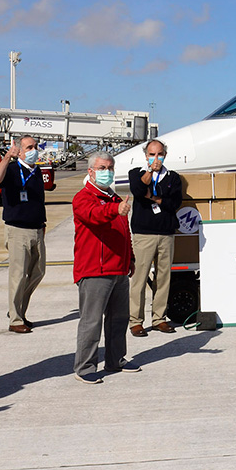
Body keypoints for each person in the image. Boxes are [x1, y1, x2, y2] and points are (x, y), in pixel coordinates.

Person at [72, 153, 141, 382]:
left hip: (118, 269)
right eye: (102, 168)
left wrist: (130, 258)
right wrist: (115, 210)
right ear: (91, 172)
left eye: (110, 168)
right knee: (91, 321)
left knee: (119, 319)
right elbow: (93, 216)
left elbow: (124, 232)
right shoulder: (83, 198)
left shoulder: (114, 199)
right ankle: (85, 368)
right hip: (95, 270)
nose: (107, 172)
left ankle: (115, 359)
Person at [127, 139, 183, 336]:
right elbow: (138, 190)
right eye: (152, 154)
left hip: (166, 233)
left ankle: (159, 318)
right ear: (146, 156)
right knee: (140, 279)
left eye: (159, 154)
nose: (156, 158)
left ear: (165, 155)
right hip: (144, 234)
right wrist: (150, 171)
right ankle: (136, 321)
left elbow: (174, 202)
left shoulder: (173, 177)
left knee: (163, 278)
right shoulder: (136, 173)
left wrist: (153, 197)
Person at [0, 135, 47, 334]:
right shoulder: (12, 169)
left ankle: (18, 310)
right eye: (29, 147)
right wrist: (7, 157)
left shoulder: (36, 171)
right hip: (18, 230)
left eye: (35, 147)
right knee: (18, 275)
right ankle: (15, 319)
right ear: (20, 151)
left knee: (38, 271)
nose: (34, 151)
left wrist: (42, 224)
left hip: (37, 228)